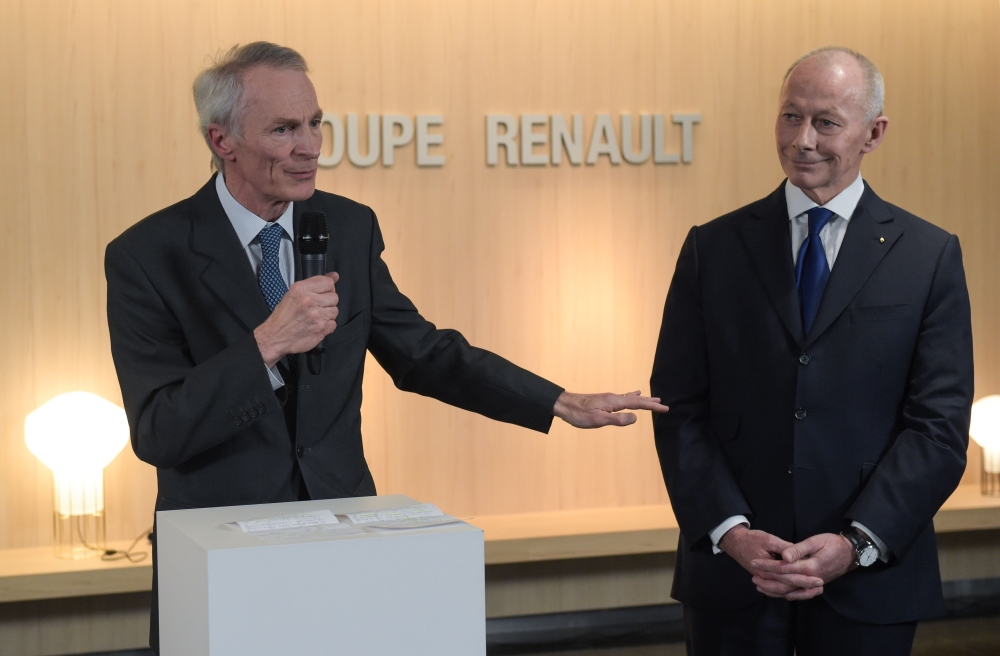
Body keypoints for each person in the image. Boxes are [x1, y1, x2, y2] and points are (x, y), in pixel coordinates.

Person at [105, 42, 667, 652]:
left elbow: (423, 352)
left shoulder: (348, 226)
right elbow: (157, 429)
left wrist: (556, 399)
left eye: (316, 123)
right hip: (220, 559)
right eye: (284, 129)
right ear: (223, 141)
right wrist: (265, 345)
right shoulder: (147, 254)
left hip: (342, 545)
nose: (311, 146)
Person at [650, 46, 973, 655]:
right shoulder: (711, 250)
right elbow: (679, 409)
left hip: (872, 576)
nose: (803, 140)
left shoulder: (929, 257)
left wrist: (855, 543)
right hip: (736, 576)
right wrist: (732, 532)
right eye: (790, 117)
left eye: (826, 122)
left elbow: (938, 427)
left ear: (873, 133)